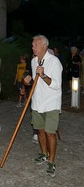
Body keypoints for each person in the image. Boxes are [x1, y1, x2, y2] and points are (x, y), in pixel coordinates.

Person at [24, 35, 63, 177]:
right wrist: (28, 81)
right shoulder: (34, 61)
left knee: (50, 133)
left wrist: (44, 75)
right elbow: (35, 81)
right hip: (37, 102)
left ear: (44, 46)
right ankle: (44, 154)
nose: (33, 47)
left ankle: (52, 162)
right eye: (32, 44)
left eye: (35, 44)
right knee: (40, 131)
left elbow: (57, 85)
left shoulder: (54, 62)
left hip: (51, 102)